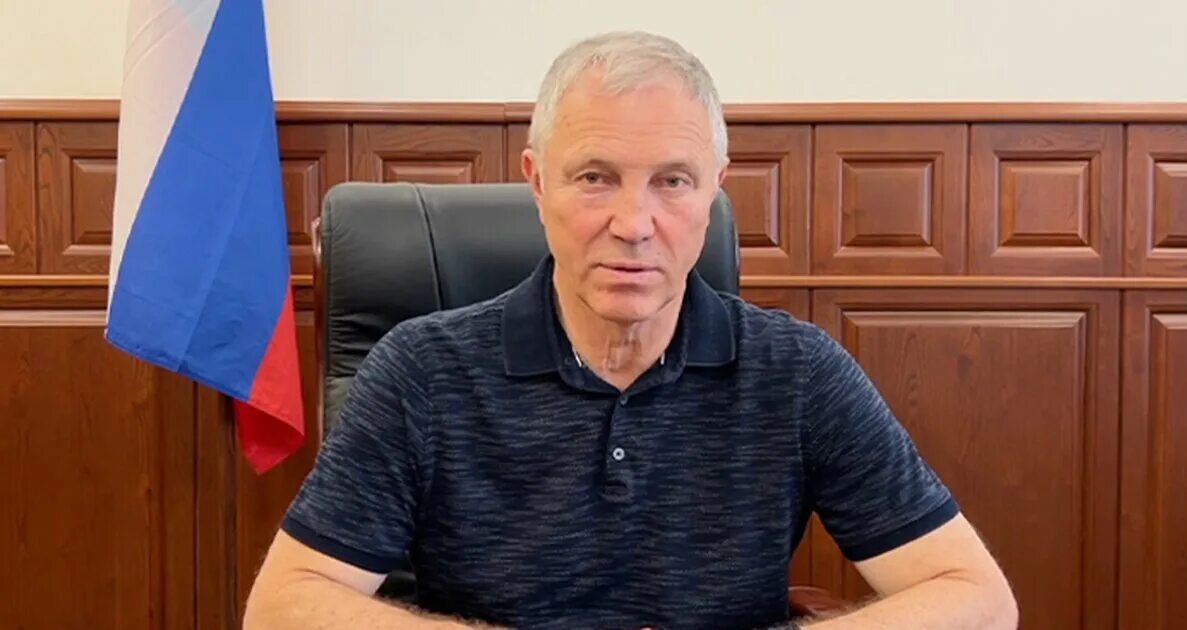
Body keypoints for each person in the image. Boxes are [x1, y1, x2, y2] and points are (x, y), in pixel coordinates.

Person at [244, 30, 1018, 630]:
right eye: (595, 177)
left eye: (672, 181)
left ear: (714, 192)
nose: (634, 223)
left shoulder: (797, 372)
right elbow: (282, 607)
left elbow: (978, 597)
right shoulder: (422, 369)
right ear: (538, 183)